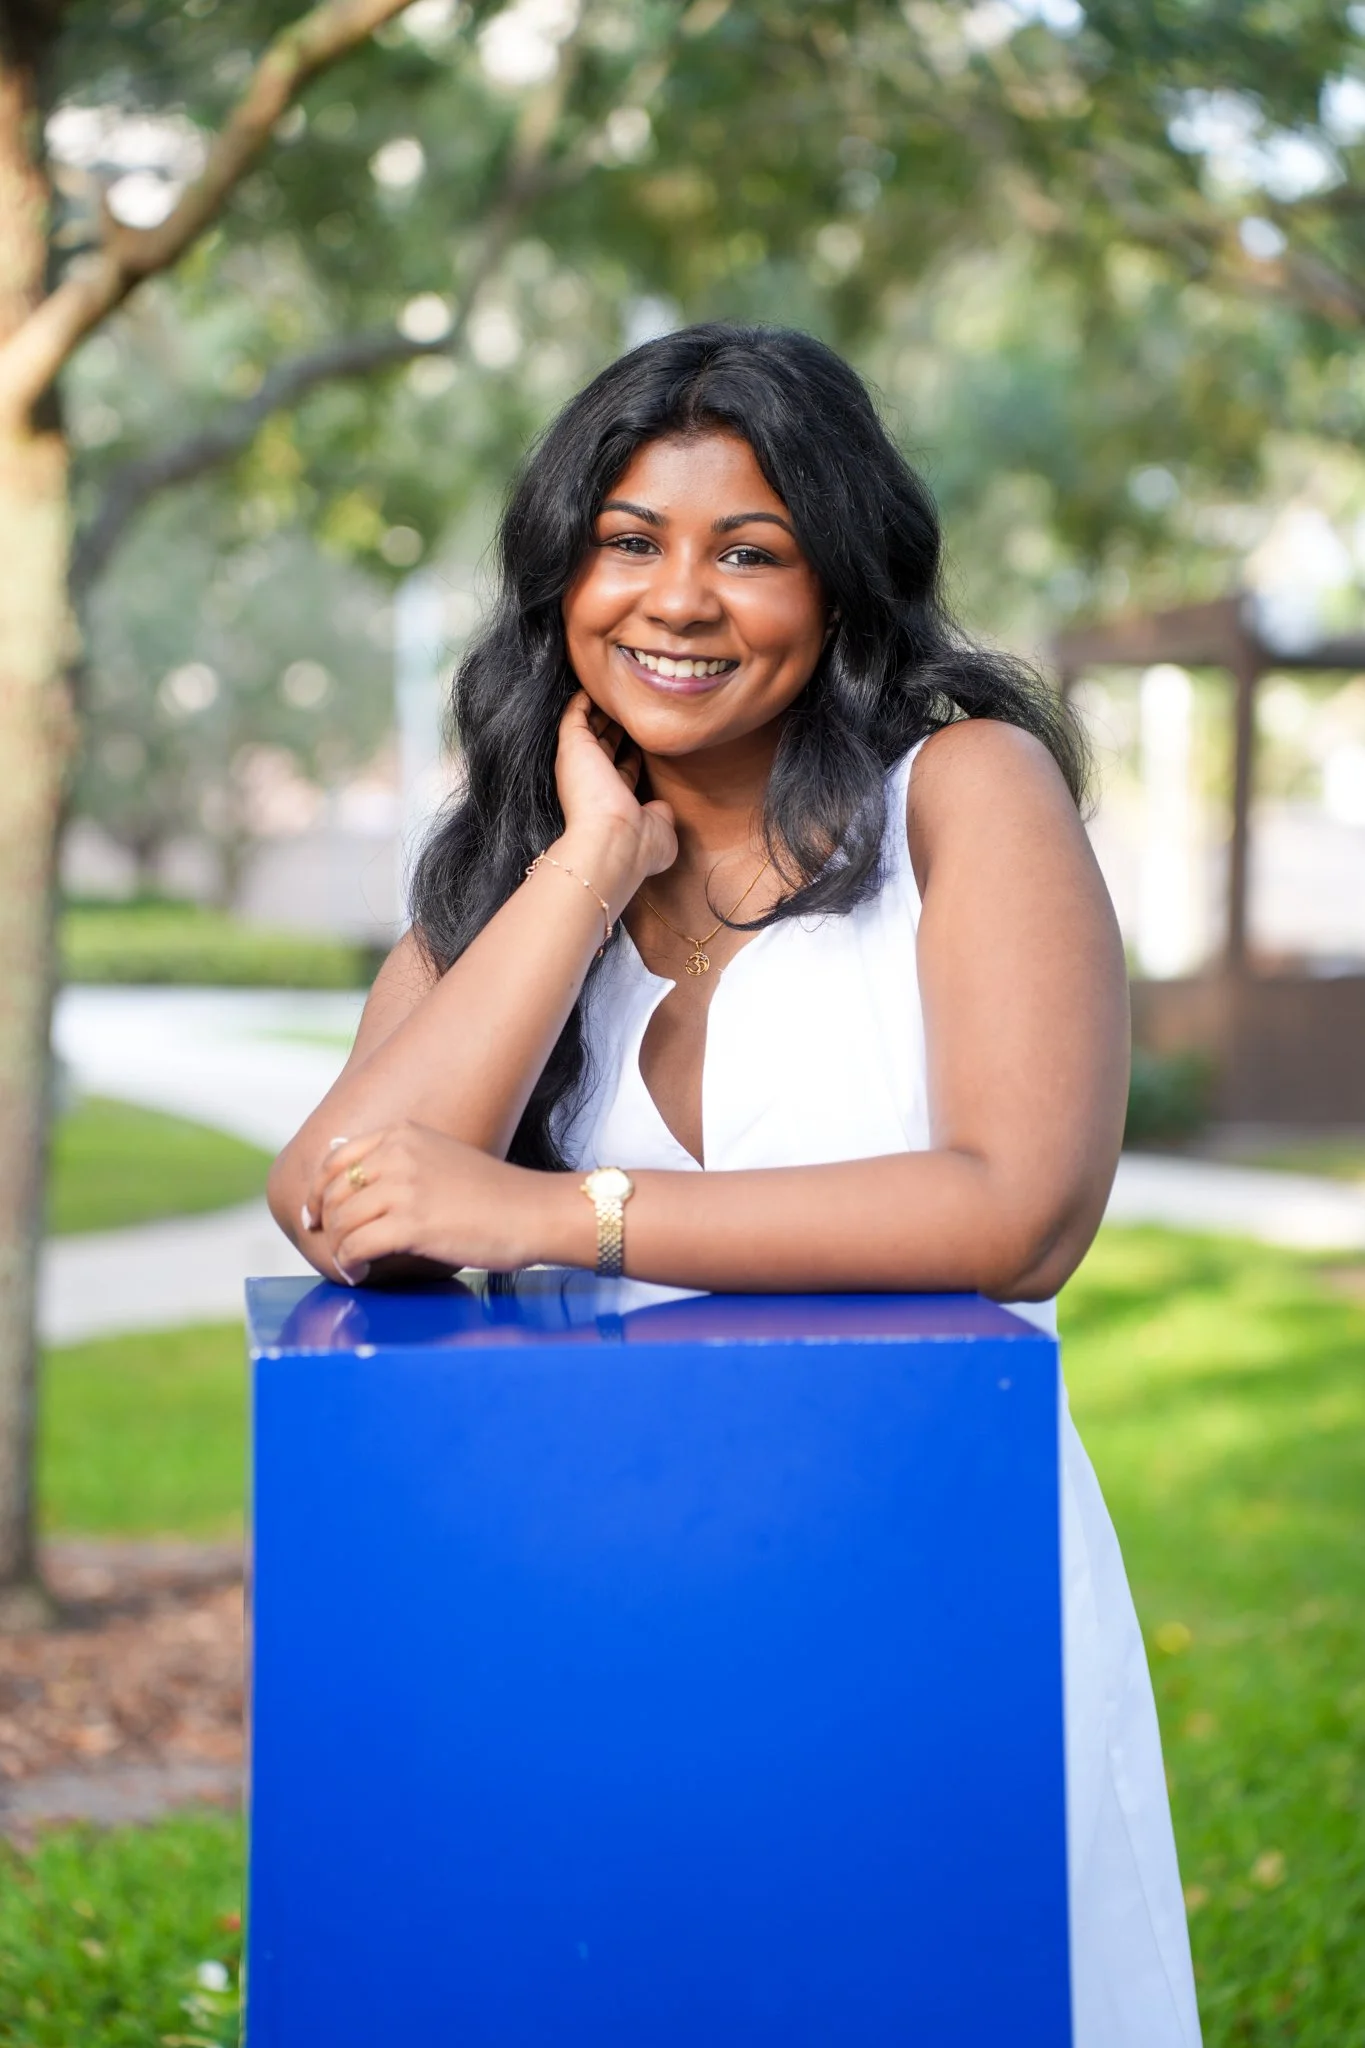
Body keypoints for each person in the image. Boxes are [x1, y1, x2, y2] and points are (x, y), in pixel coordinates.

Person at [268, 323, 1201, 2045]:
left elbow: (1023, 1212)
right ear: (564, 579)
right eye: (631, 541)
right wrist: (583, 870)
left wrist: (564, 1215)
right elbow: (343, 1201)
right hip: (606, 1587)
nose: (679, 599)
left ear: (840, 590)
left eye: (749, 552)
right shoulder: (512, 867)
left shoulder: (962, 795)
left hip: (933, 1568)